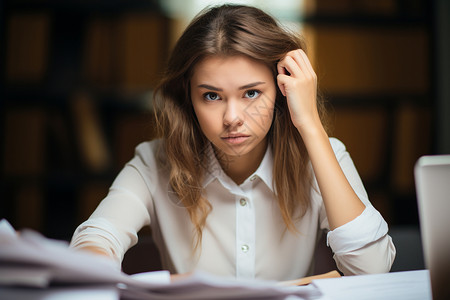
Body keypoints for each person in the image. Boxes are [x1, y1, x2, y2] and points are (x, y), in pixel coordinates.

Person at [70, 4, 396, 281]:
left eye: (251, 93)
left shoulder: (323, 155)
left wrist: (309, 123)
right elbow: (97, 238)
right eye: (211, 96)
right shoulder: (154, 161)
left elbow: (373, 269)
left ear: (282, 90)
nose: (232, 117)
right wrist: (94, 262)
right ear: (188, 99)